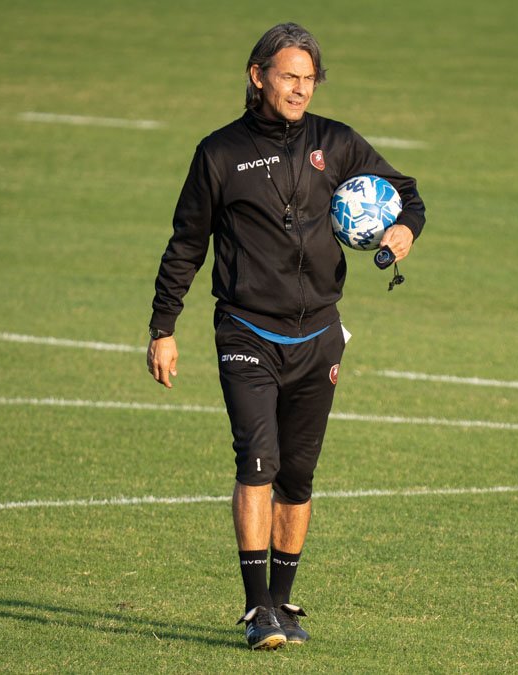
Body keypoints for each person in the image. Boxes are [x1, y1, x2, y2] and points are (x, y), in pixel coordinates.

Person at [146, 22, 425, 650]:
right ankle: (255, 610)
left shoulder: (336, 142)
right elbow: (187, 244)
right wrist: (164, 327)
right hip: (246, 329)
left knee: (298, 477)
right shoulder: (219, 153)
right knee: (258, 462)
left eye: (309, 78)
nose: (300, 89)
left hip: (321, 334)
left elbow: (409, 195)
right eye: (289, 76)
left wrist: (405, 231)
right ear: (258, 76)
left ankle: (284, 603)